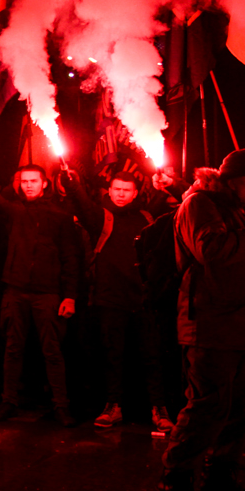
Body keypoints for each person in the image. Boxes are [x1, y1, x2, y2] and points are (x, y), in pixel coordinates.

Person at [157, 152, 245, 491]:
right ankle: (174, 482)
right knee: (207, 405)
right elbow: (213, 251)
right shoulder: (199, 203)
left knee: (238, 406)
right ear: (234, 180)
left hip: (237, 322)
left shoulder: (234, 207)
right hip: (208, 322)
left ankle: (219, 475)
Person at [62, 169, 170, 430]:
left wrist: (168, 184)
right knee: (113, 355)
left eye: (126, 190)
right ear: (109, 191)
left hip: (143, 298)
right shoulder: (101, 217)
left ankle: (159, 408)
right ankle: (113, 406)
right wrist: (72, 182)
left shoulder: (147, 216)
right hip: (110, 298)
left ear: (135, 194)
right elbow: (82, 203)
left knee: (152, 356)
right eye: (117, 189)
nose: (121, 194)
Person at [0, 164, 81, 426]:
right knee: (12, 348)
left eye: (34, 180)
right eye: (24, 181)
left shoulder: (60, 215)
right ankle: (8, 401)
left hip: (48, 293)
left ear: (45, 183)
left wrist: (70, 296)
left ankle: (61, 405)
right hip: (16, 289)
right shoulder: (15, 211)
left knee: (52, 351)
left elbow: (70, 258)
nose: (29, 185)